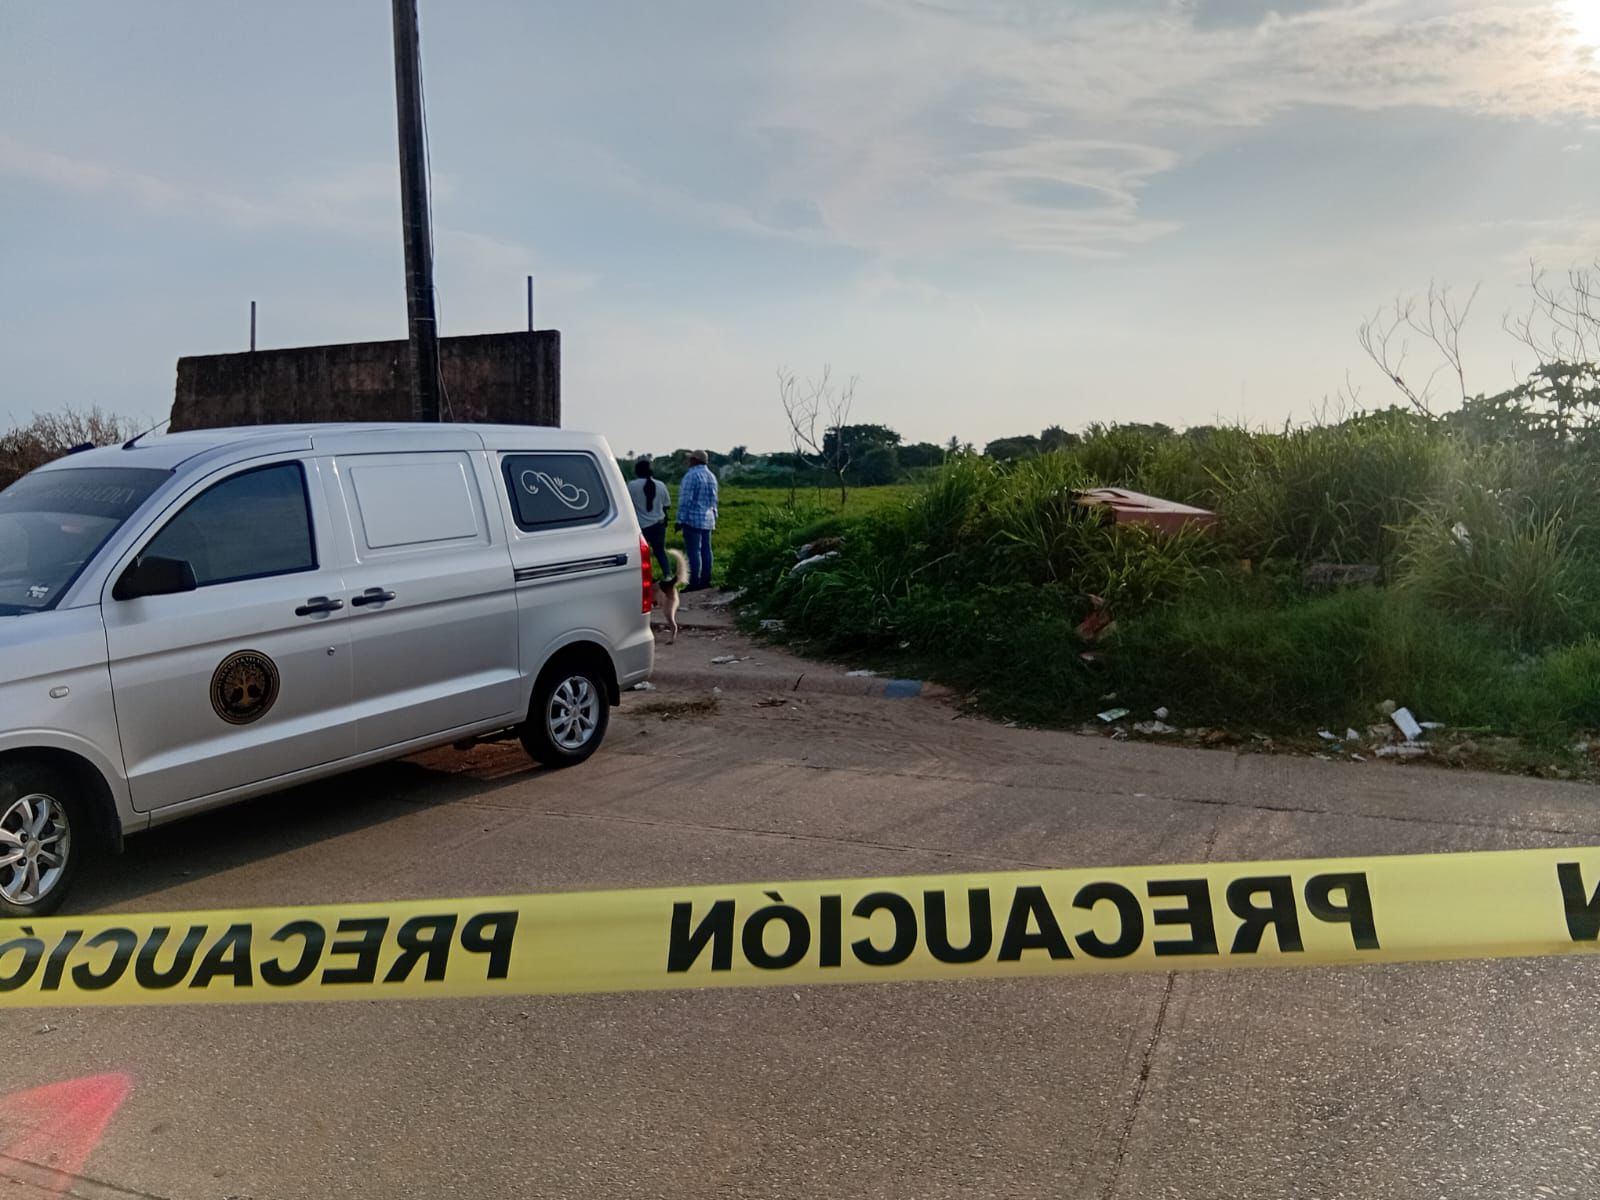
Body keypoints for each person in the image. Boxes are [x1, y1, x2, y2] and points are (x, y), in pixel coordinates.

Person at [675, 449, 719, 591]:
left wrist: (680, 520)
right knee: (707, 550)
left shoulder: (691, 476)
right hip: (708, 518)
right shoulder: (711, 476)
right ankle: (706, 580)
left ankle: (694, 581)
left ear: (695, 460)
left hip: (693, 518)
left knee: (694, 551)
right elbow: (714, 500)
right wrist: (715, 516)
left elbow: (685, 500)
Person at [628, 457, 669, 577]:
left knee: (641, 555)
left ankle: (646, 577)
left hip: (641, 526)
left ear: (637, 471)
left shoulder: (632, 486)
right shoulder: (661, 485)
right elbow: (666, 505)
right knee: (660, 552)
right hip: (658, 524)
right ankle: (667, 575)